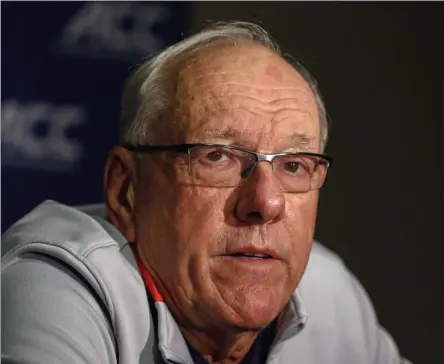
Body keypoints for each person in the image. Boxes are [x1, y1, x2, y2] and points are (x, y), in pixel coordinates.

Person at [1, 21, 411, 364]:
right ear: (126, 190)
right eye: (218, 157)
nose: (265, 203)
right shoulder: (55, 286)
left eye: (293, 165)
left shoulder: (332, 298)